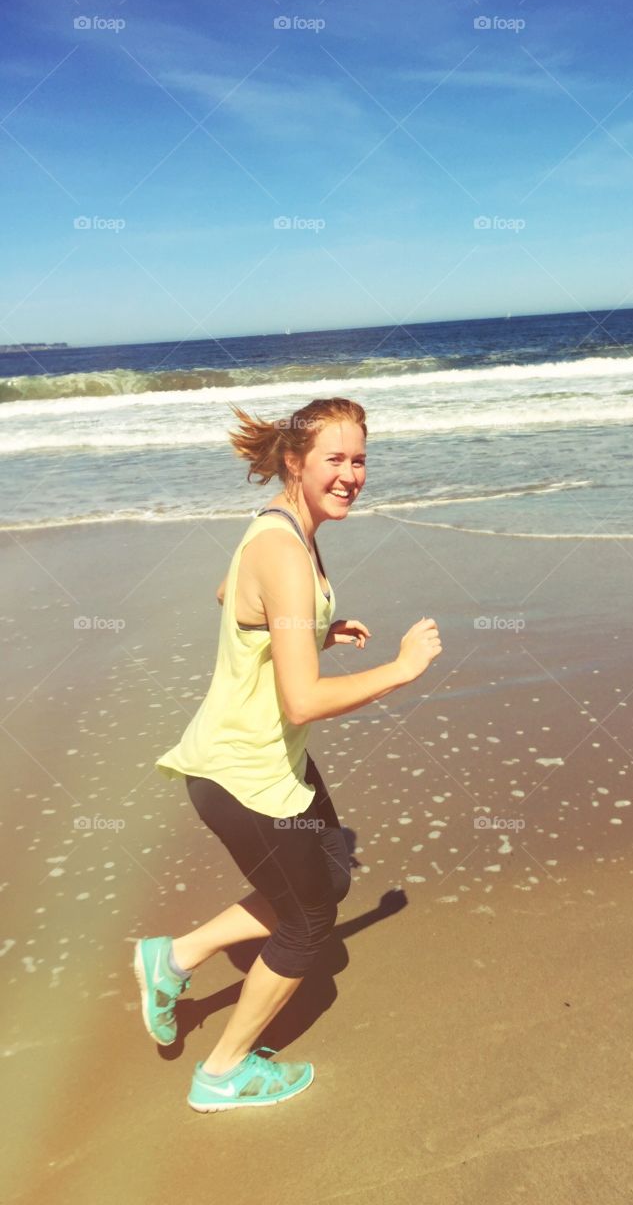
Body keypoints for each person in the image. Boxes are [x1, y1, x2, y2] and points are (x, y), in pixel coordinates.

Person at [137, 396, 442, 1112]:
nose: (351, 475)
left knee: (329, 871)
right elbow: (301, 700)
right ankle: (222, 1074)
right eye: (334, 460)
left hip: (271, 764)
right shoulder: (285, 551)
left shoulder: (280, 529)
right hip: (244, 779)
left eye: (360, 459)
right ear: (295, 462)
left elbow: (228, 594)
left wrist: (312, 628)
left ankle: (173, 957)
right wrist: (399, 669)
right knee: (308, 925)